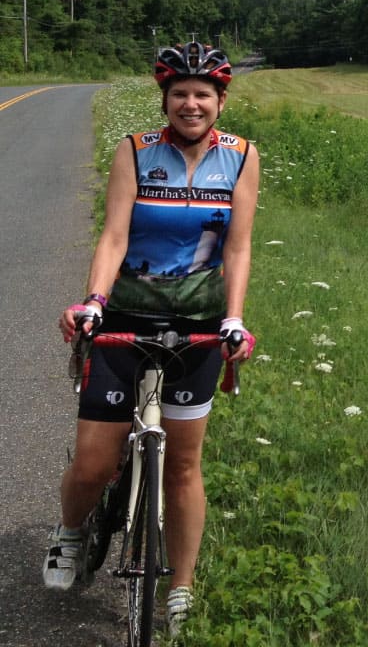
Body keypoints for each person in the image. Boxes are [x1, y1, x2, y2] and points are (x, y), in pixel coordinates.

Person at [43, 42, 260, 637]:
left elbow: (237, 248)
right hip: (126, 315)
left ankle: (180, 586)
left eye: (203, 95)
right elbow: (114, 236)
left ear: (220, 101)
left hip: (198, 322)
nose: (191, 104)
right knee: (92, 462)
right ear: (165, 100)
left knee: (185, 466)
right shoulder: (136, 151)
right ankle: (69, 532)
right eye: (180, 94)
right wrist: (92, 300)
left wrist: (234, 318)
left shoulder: (241, 157)